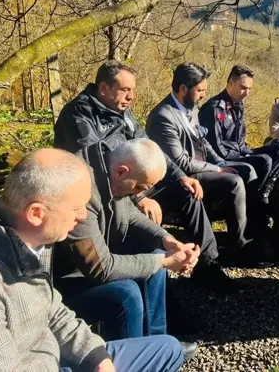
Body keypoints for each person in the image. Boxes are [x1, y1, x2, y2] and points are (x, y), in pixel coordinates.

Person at [0, 148, 184, 372]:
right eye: (77, 208)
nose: (83, 216)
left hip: (59, 356)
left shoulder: (31, 242)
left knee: (169, 348)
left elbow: (55, 312)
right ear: (36, 213)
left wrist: (97, 358)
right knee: (126, 295)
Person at [54, 60, 234, 292]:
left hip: (133, 182)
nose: (131, 97)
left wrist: (180, 176)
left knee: (188, 193)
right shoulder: (79, 116)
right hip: (102, 193)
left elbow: (150, 148)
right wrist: (139, 197)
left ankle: (207, 265)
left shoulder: (122, 112)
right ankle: (163, 292)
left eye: (133, 90)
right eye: (125, 90)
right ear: (103, 89)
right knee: (147, 223)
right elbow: (103, 173)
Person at [54, 139, 200, 361]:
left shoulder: (110, 171)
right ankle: (131, 360)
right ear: (123, 172)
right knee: (126, 293)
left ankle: (156, 344)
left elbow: (130, 215)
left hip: (91, 259)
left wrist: (167, 241)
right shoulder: (80, 188)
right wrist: (164, 261)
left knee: (154, 256)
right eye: (140, 188)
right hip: (60, 281)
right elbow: (98, 267)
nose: (140, 194)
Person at [147, 62, 269, 261]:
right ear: (183, 89)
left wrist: (221, 164)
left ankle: (254, 232)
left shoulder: (190, 108)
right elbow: (181, 162)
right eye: (200, 90)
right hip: (182, 177)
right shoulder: (164, 116)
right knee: (234, 182)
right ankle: (239, 246)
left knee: (247, 170)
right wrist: (220, 171)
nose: (203, 95)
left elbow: (203, 142)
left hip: (203, 166)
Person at [200, 64, 279, 206]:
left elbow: (240, 140)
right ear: (230, 83)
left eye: (249, 89)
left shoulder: (238, 105)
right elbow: (216, 147)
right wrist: (245, 156)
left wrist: (247, 152)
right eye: (243, 87)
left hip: (241, 151)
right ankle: (255, 202)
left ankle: (265, 190)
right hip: (226, 157)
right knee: (264, 161)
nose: (247, 93)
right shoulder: (215, 108)